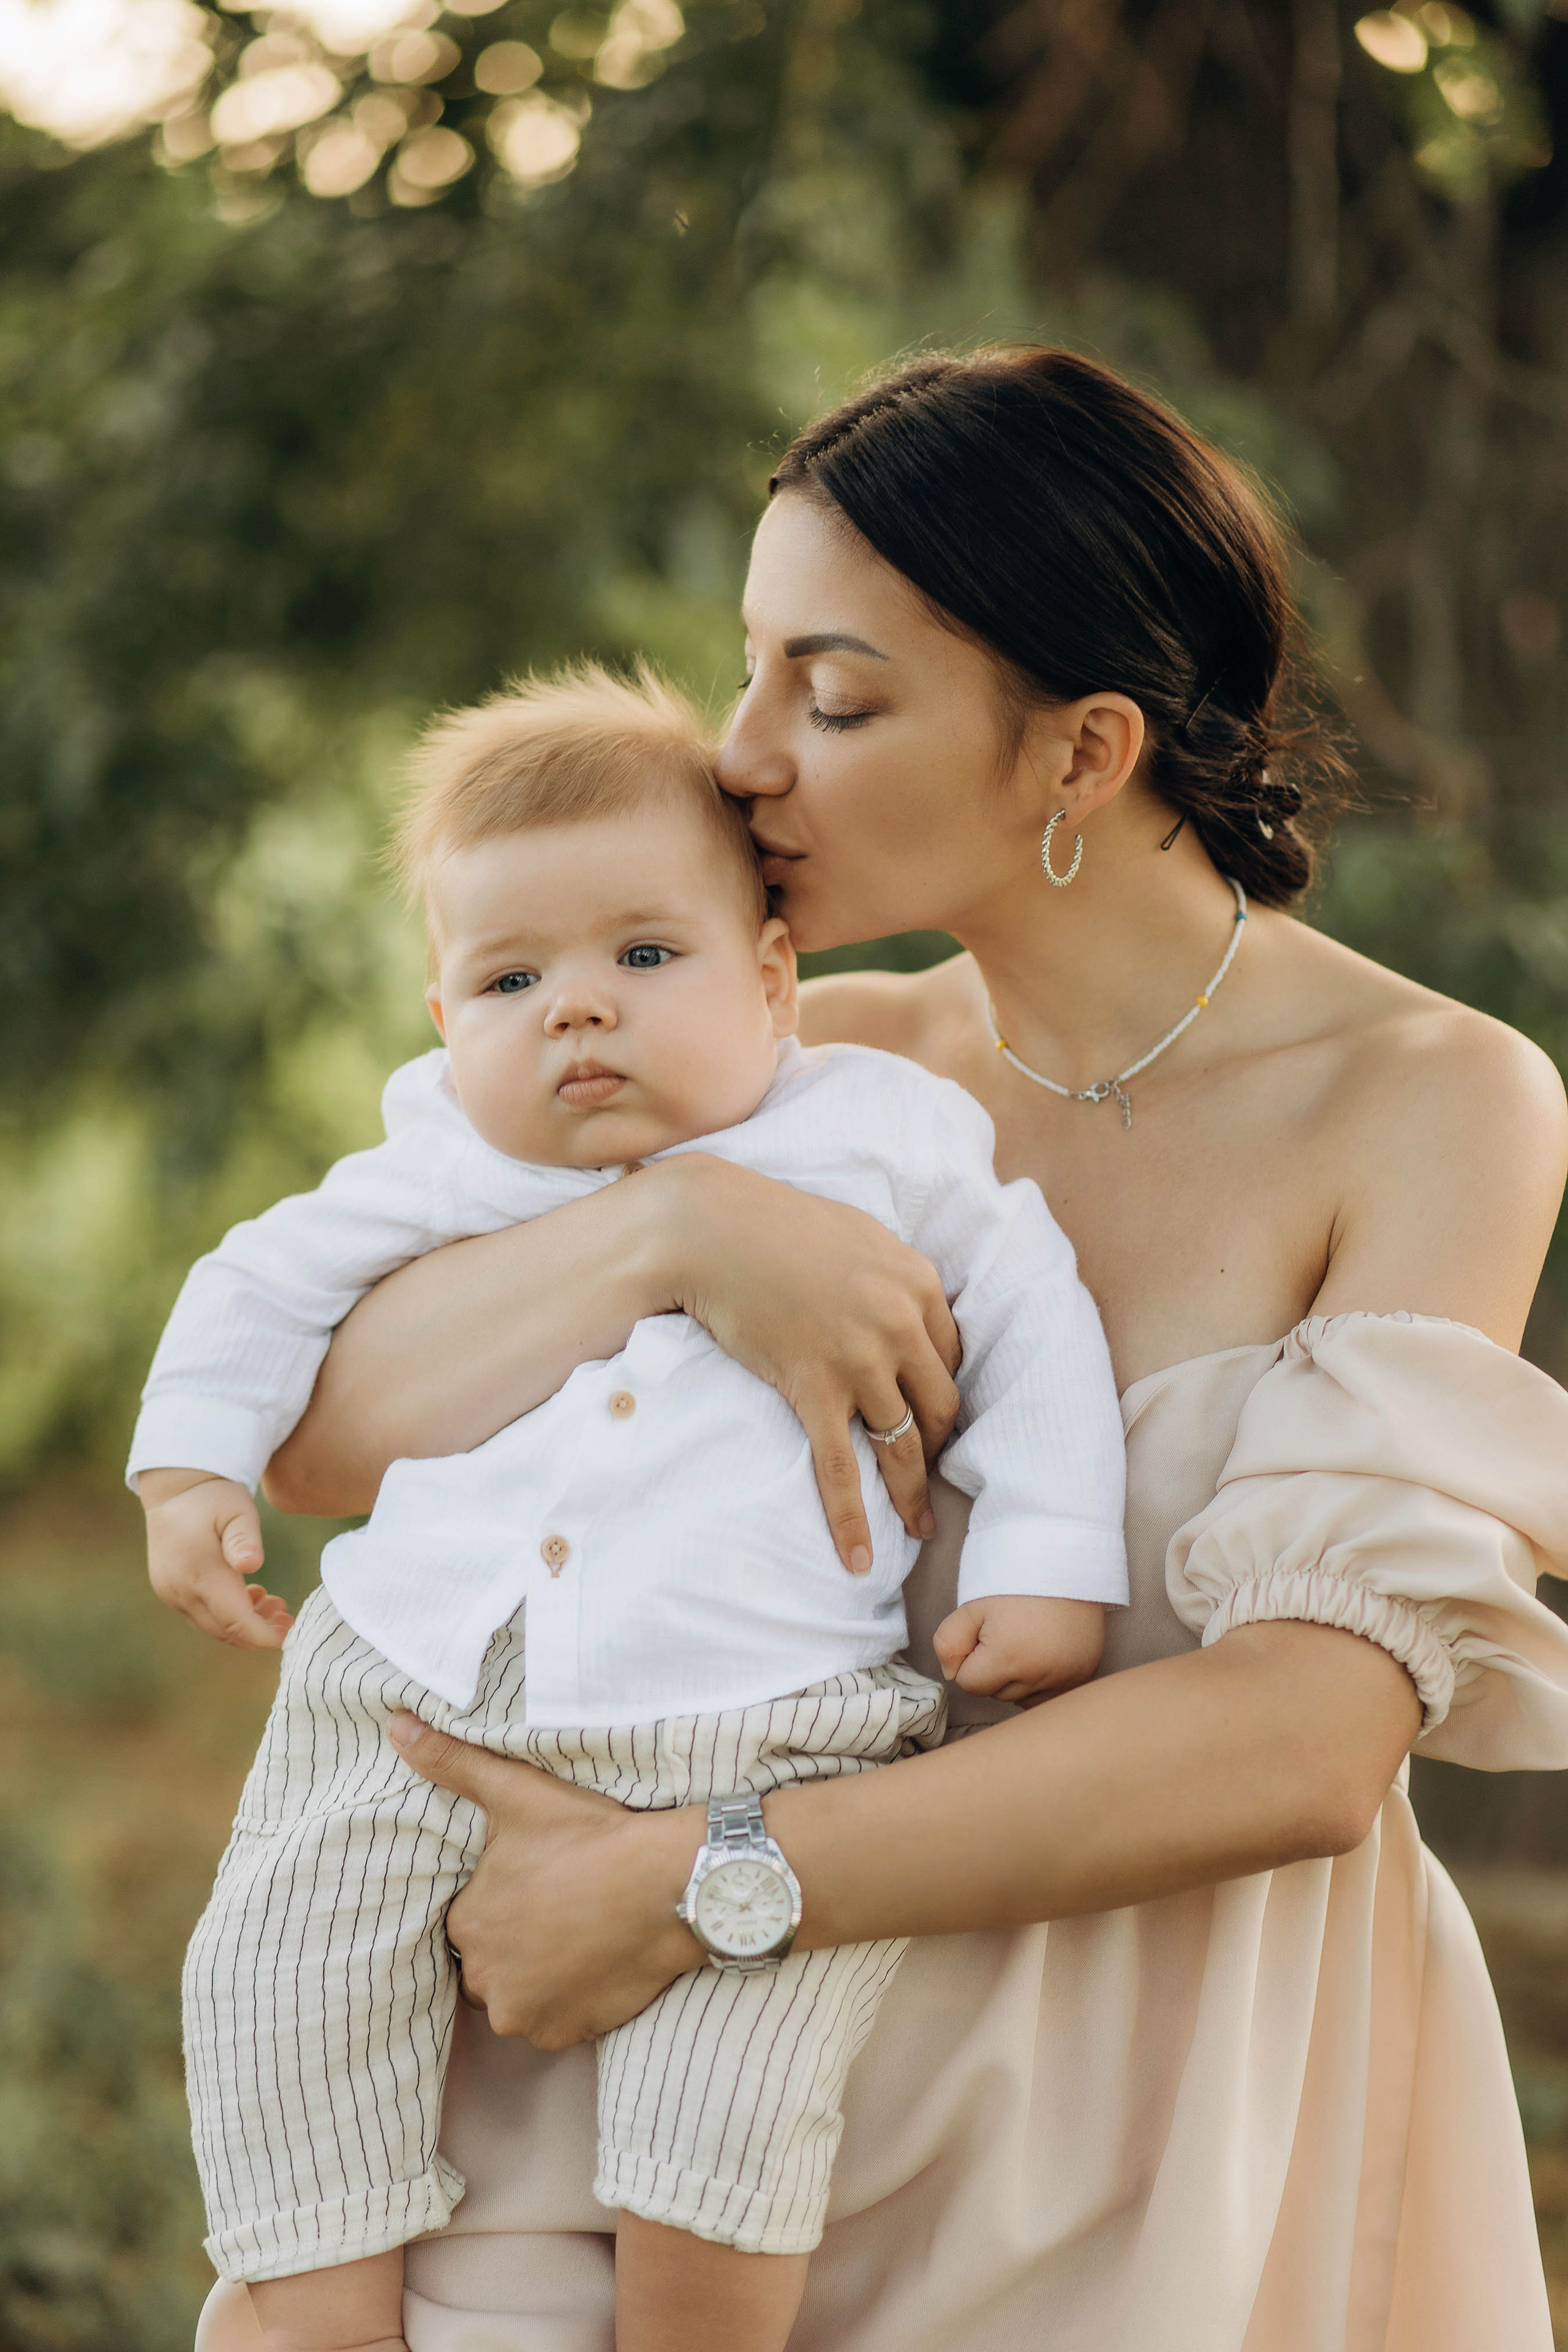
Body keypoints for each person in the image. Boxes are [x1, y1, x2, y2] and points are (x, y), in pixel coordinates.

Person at [203, 349, 1568, 2352]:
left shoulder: (1431, 1095)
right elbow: (321, 1439)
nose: (742, 755)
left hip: (1149, 2112)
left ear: (1083, 752)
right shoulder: (796, 1067)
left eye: (833, 699)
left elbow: (1304, 1734)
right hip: (673, 2102)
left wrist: (695, 1879)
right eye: (751, 668)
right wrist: (670, 1230)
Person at [135, 664, 1128, 2352]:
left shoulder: (882, 1138)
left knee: (728, 2105)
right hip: (407, 1689)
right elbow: (258, 1289)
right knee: (280, 1981)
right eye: (511, 978)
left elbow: (1036, 1326)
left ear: (773, 979)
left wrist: (1046, 1562)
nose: (574, 1012)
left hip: (765, 1722)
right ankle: (314, 2317)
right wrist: (188, 1473)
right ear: (446, 1025)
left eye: (640, 957)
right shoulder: (440, 1156)